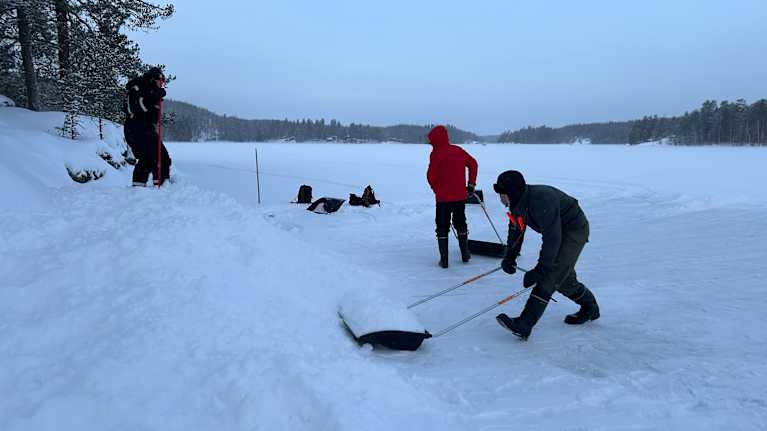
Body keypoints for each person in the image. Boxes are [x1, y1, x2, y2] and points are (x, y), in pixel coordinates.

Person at [493, 170, 600, 340]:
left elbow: (552, 239)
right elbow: (516, 230)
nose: (500, 198)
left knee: (551, 275)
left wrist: (540, 270)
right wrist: (509, 257)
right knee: (564, 279)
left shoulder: (541, 200)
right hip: (558, 231)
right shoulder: (517, 204)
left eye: (502, 194)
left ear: (512, 192)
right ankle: (590, 307)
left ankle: (524, 324)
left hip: (574, 229)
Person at [426, 125, 478, 268]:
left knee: (442, 227)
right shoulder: (458, 150)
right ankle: (465, 254)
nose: (430, 144)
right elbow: (473, 164)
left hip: (443, 199)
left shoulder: (436, 154)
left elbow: (430, 176)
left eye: (431, 142)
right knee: (460, 223)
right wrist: (471, 184)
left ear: (436, 140)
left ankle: (444, 261)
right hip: (460, 197)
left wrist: (436, 189)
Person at [123, 67, 171, 187]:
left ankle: (138, 188)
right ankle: (162, 185)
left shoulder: (146, 89)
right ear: (153, 78)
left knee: (147, 159)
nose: (162, 84)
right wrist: (155, 95)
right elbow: (137, 106)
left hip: (139, 129)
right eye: (161, 80)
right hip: (138, 128)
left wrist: (156, 95)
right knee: (161, 157)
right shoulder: (139, 87)